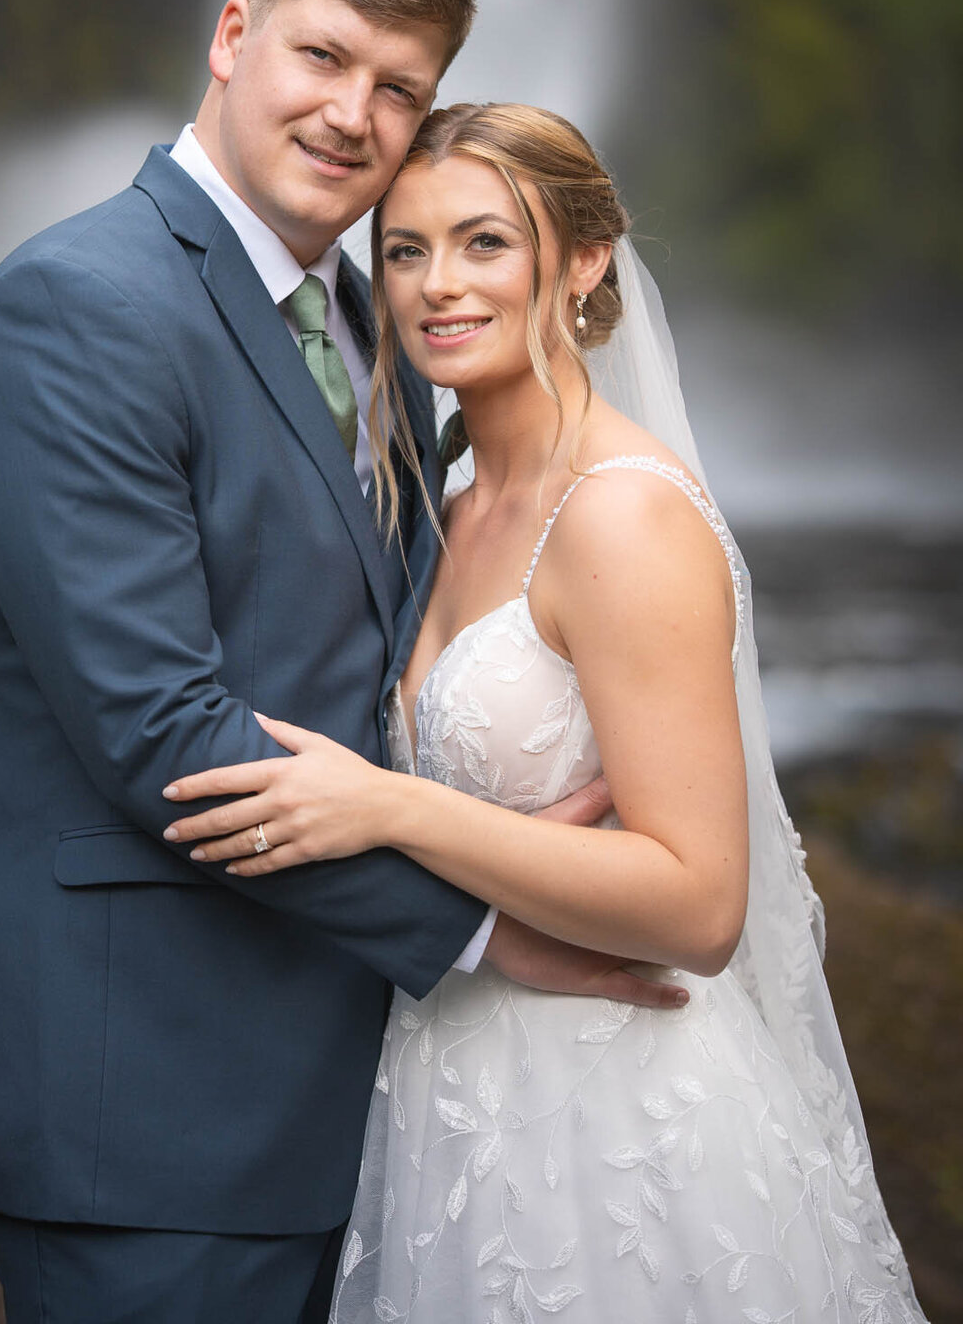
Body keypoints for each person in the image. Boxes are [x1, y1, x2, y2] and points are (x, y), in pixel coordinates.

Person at [0, 0, 687, 1324]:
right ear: (233, 33)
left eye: (402, 89)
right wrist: (491, 928)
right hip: (147, 1105)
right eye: (324, 58)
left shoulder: (379, 320)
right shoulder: (74, 309)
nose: (353, 117)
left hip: (365, 1099)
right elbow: (165, 734)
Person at [166, 101, 929, 1322]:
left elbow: (700, 902)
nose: (434, 286)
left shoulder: (623, 517)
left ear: (582, 260)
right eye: (405, 251)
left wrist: (391, 809)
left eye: (484, 244)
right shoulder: (446, 505)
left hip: (618, 1115)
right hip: (449, 1092)